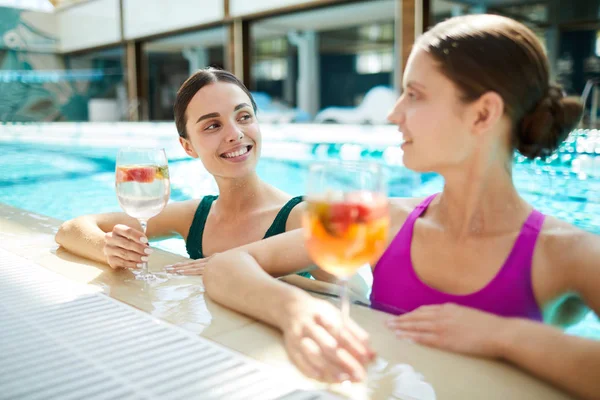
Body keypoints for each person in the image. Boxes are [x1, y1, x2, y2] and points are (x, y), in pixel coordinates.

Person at [201, 14, 600, 400]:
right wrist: (296, 313)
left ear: (482, 114)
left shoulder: (566, 252)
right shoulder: (385, 221)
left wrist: (505, 336)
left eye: (415, 94)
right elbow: (225, 267)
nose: (394, 114)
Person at [55, 68, 333, 283]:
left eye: (244, 116)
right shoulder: (195, 217)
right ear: (188, 146)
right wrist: (108, 248)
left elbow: (353, 296)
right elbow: (71, 229)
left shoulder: (300, 217)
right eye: (213, 125)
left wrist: (247, 269)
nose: (235, 133)